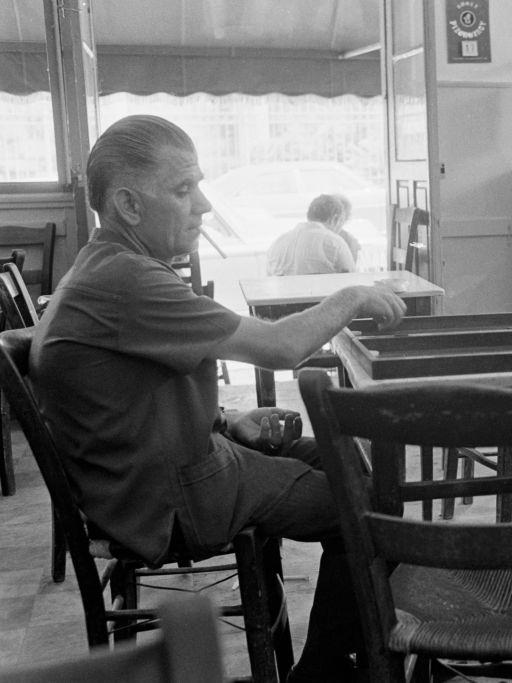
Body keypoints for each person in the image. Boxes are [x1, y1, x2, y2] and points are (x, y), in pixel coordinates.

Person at [30, 115, 406, 682]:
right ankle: (332, 671)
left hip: (155, 473)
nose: (203, 204)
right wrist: (352, 294)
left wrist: (228, 420)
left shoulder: (107, 268)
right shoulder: (128, 281)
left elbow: (129, 399)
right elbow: (282, 346)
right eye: (184, 189)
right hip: (168, 498)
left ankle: (343, 653)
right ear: (129, 206)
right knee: (373, 507)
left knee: (346, 462)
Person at [266, 193, 362, 275]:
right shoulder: (334, 242)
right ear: (335, 219)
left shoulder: (278, 242)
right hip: (322, 296)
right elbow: (351, 281)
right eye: (342, 221)